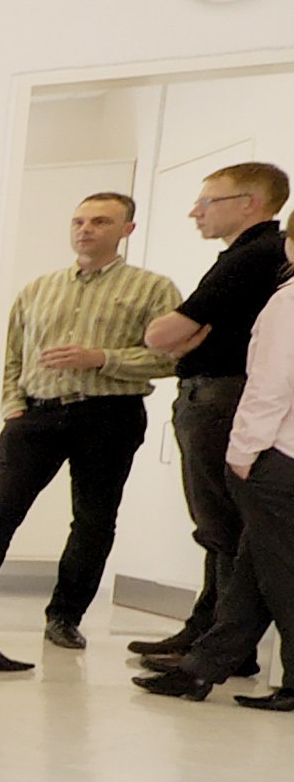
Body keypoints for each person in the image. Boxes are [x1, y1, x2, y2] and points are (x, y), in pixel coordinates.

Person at [0, 192, 180, 672]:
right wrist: (12, 407)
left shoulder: (153, 290)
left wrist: (103, 359)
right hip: (35, 417)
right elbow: (10, 354)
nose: (86, 230)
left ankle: (65, 616)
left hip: (109, 415)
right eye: (79, 221)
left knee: (93, 520)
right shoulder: (38, 289)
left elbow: (173, 357)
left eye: (101, 221)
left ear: (126, 230)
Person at [124, 162, 291, 668]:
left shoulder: (250, 257)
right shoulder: (257, 257)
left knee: (222, 526)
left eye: (207, 201)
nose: (195, 211)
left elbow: (161, 336)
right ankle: (210, 635)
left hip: (219, 400)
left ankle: (219, 646)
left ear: (249, 203)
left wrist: (181, 341)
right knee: (223, 527)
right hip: (216, 398)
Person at [137, 271, 294, 709]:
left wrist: (243, 450)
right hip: (282, 454)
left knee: (279, 572)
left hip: (278, 455)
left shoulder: (287, 302)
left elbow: (272, 384)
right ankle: (202, 668)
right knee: (254, 564)